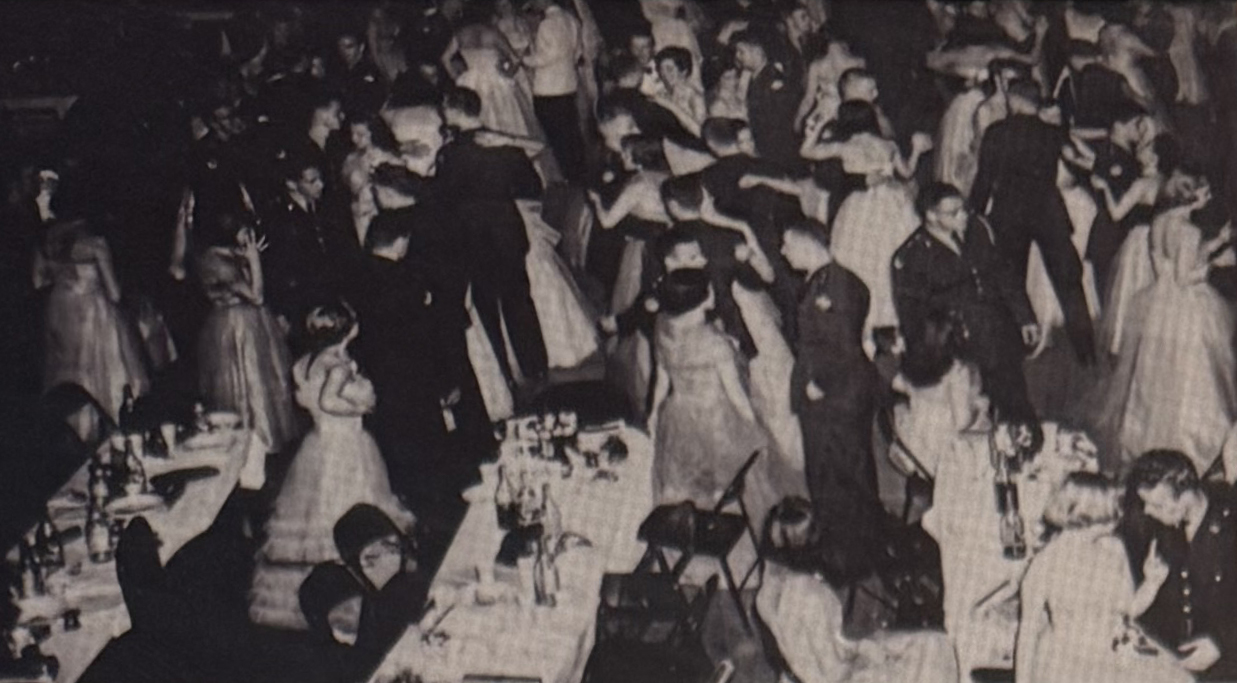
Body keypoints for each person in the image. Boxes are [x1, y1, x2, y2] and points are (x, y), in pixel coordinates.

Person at [249, 302, 415, 631]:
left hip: (317, 444)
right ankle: (357, 592)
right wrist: (358, 406)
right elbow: (327, 401)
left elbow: (310, 401)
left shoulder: (305, 363)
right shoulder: (339, 364)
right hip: (346, 445)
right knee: (354, 509)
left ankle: (322, 593)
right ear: (349, 330)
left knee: (314, 516)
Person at [1089, 172, 1237, 476]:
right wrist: (1212, 264)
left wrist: (1216, 243)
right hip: (1186, 308)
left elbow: (1165, 269)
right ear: (1192, 197)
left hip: (1157, 304)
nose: (1208, 198)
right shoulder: (1189, 231)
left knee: (1154, 378)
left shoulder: (1160, 223)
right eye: (1205, 193)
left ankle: (1144, 439)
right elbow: (1186, 278)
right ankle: (1193, 443)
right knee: (1189, 378)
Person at [755, 497, 959, 683]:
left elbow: (835, 644)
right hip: (838, 676)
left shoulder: (772, 583)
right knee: (935, 653)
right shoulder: (806, 598)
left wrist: (871, 644)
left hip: (833, 662)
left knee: (933, 643)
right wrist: (873, 655)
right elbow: (830, 675)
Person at [1016, 472, 1194, 683]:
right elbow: (1027, 636)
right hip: (1067, 668)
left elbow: (1129, 609)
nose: (1120, 513)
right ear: (1086, 510)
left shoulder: (1113, 548)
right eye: (1113, 506)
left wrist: (1152, 583)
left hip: (1113, 659)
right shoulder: (1045, 563)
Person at [971, 80, 1097, 367]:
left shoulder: (997, 133)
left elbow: (984, 178)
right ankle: (1086, 350)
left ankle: (1013, 344)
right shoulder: (1051, 133)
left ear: (1013, 101)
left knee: (1011, 277)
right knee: (1068, 278)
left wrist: (974, 213)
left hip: (1009, 214)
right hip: (1048, 211)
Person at [892, 182, 1038, 422]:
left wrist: (1025, 318)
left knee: (1013, 397)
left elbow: (1003, 275)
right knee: (974, 415)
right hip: (956, 344)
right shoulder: (913, 256)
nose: (963, 217)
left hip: (996, 329)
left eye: (964, 209)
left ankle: (1021, 435)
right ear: (931, 215)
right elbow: (914, 318)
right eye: (953, 213)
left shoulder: (977, 231)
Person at [649, 268, 784, 523]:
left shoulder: (662, 328)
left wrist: (654, 413)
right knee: (726, 469)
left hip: (679, 411)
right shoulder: (714, 343)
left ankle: (700, 512)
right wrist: (755, 427)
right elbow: (735, 394)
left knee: (692, 470)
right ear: (705, 298)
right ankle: (719, 509)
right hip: (715, 416)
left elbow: (662, 378)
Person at [437, 89, 549, 387]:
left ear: (453, 111)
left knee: (485, 301)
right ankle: (535, 367)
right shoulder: (505, 147)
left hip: (470, 233)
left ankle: (502, 373)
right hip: (506, 228)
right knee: (518, 297)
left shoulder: (450, 153)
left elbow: (443, 196)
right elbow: (532, 187)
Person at [800, 101, 933, 351]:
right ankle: (895, 328)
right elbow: (907, 173)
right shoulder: (888, 145)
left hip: (860, 207)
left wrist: (816, 127)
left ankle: (866, 327)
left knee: (860, 262)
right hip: (893, 205)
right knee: (890, 262)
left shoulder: (846, 146)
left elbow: (807, 151)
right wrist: (916, 150)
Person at [780, 225, 879, 542]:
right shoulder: (838, 279)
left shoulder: (830, 290)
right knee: (850, 463)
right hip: (844, 391)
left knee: (832, 469)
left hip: (833, 398)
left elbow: (844, 347)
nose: (784, 252)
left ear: (807, 244)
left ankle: (844, 542)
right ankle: (856, 533)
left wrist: (820, 384)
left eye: (788, 244)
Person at [1126, 450, 1237, 680]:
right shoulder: (1164, 525)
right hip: (1181, 660)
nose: (1147, 511)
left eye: (1156, 504)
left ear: (1186, 497)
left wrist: (1221, 642)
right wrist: (1152, 584)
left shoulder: (1232, 520)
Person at [195, 224, 297, 456]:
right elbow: (257, 296)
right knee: (245, 382)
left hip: (250, 322)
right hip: (236, 326)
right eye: (243, 229)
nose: (249, 234)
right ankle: (251, 444)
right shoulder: (214, 260)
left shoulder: (226, 253)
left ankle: (262, 442)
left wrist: (246, 257)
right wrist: (254, 259)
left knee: (260, 382)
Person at [34, 217, 148, 421]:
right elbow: (114, 293)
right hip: (95, 315)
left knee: (68, 372)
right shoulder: (96, 244)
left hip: (60, 312)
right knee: (102, 373)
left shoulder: (46, 242)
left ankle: (74, 429)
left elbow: (38, 282)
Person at [441, 6, 544, 142]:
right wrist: (509, 72)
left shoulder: (461, 34)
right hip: (495, 78)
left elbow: (444, 58)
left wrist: (456, 76)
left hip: (471, 80)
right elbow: (514, 58)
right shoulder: (492, 33)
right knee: (504, 118)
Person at [522, 0, 587, 181]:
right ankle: (578, 174)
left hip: (548, 88)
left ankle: (568, 176)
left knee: (556, 136)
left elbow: (546, 57)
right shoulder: (571, 19)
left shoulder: (547, 24)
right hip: (568, 84)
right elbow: (577, 52)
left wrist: (524, 59)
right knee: (571, 133)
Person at [733, 29, 803, 171]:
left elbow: (779, 119)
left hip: (775, 150)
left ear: (757, 52)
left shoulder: (773, 79)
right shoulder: (754, 77)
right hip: (765, 146)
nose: (738, 56)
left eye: (742, 52)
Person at [339, 113, 401, 249]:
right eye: (352, 134)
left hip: (380, 214)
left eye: (361, 135)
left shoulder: (387, 158)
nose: (355, 139)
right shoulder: (350, 159)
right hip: (359, 215)